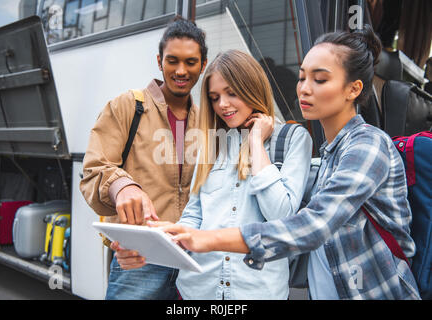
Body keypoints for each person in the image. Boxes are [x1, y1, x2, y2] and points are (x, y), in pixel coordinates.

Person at [152, 26, 422, 300]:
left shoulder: (367, 145)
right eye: (302, 77)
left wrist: (208, 239)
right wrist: (160, 242)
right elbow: (196, 213)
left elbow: (312, 225)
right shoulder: (328, 154)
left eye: (319, 80)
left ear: (353, 89)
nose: (304, 88)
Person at [118, 49, 313, 300]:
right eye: (214, 97)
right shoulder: (212, 143)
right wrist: (163, 239)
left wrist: (255, 142)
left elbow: (281, 216)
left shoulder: (293, 140)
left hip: (256, 293)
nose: (222, 105)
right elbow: (195, 212)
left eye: (232, 93)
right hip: (197, 290)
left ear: (252, 86)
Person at [79, 16, 207, 300]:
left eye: (191, 62)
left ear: (203, 65)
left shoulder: (207, 121)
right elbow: (94, 170)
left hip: (192, 259)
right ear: (159, 61)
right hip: (139, 257)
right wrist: (123, 185)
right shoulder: (128, 106)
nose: (181, 70)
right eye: (173, 61)